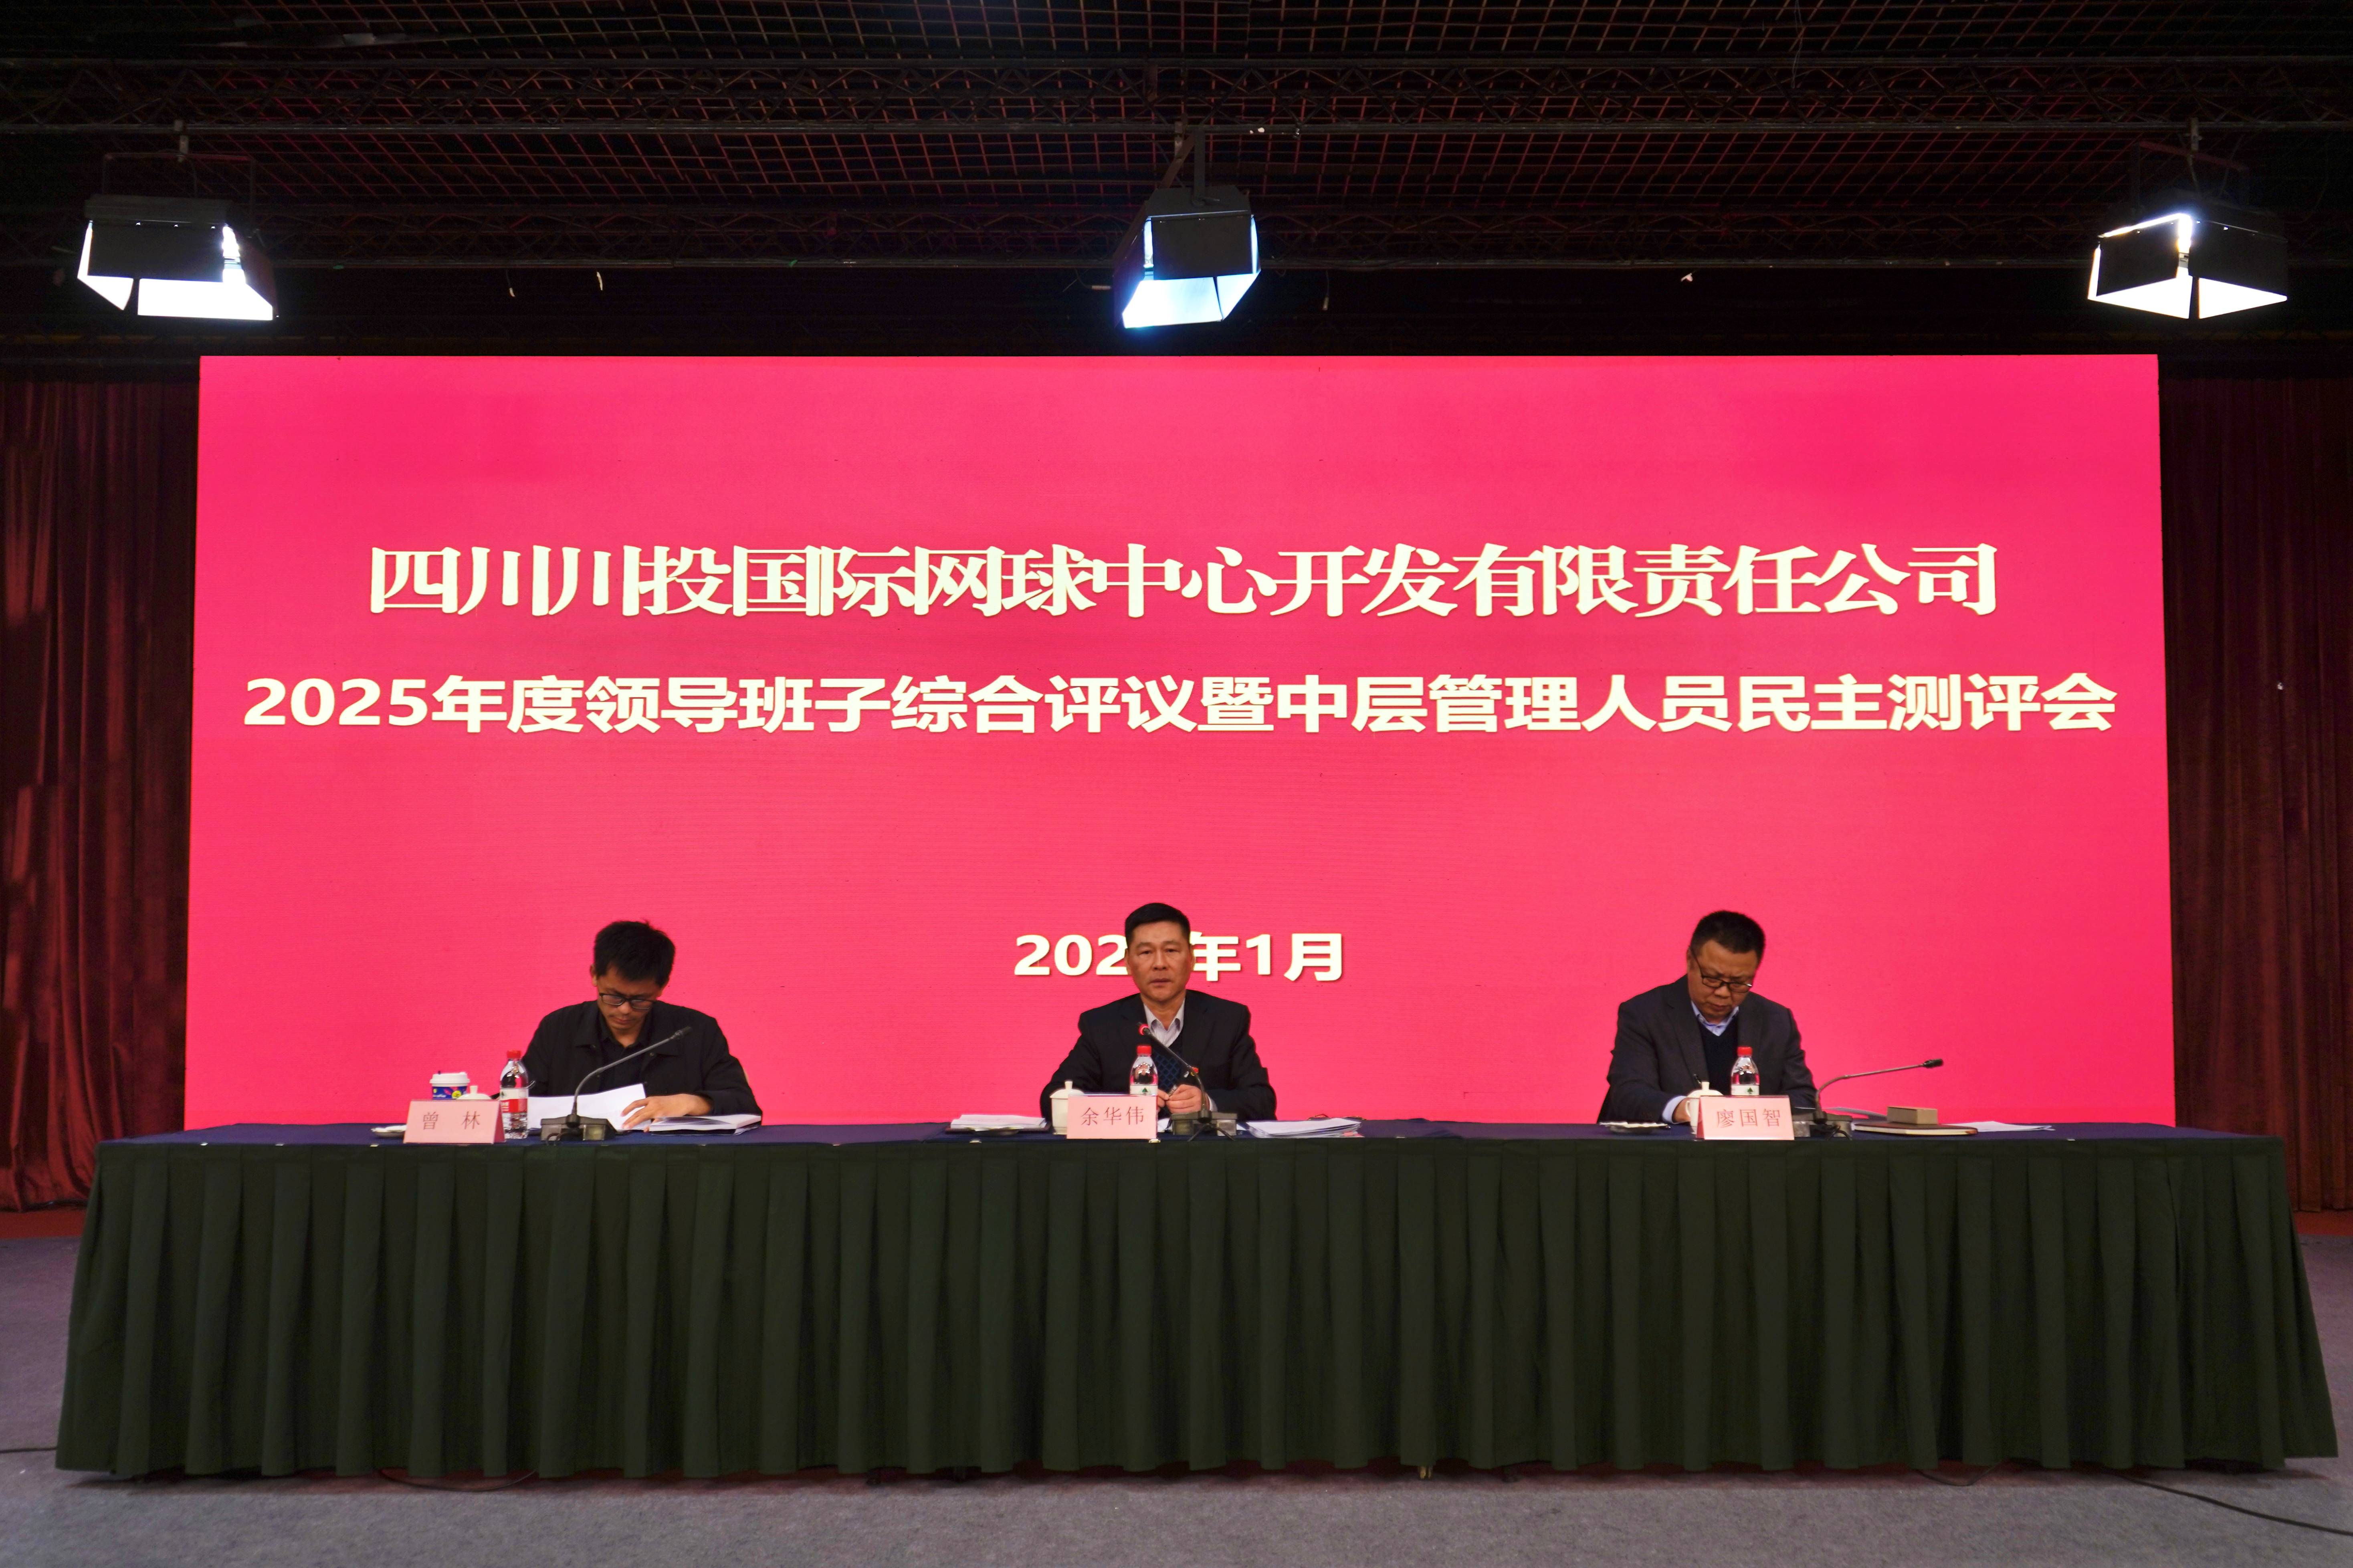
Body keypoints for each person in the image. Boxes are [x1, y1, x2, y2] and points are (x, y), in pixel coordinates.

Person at [1037, 902, 1277, 1122]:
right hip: (1129, 1152)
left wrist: (1208, 1103)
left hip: (1203, 1150)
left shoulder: (1227, 1019)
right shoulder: (1102, 1025)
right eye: (1146, 953)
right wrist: (1127, 1109)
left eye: (1171, 950)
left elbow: (1262, 1101)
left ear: (1192, 958)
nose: (1160, 964)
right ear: (1128, 963)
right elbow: (1054, 1099)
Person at [521, 920, 760, 1129]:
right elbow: (520, 1104)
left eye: (640, 1000)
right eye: (614, 996)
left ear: (662, 987)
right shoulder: (559, 1028)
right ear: (594, 975)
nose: (625, 1010)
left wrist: (692, 1103)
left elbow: (744, 1104)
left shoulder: (695, 1031)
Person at [1598, 910, 1818, 1125]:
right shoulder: (1645, 1013)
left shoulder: (1776, 1020)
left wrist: (1745, 1115)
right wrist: (1685, 1108)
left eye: (1739, 983)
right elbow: (1629, 1093)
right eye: (1712, 979)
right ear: (1690, 960)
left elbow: (1804, 1099)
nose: (1723, 993)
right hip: (1669, 1146)